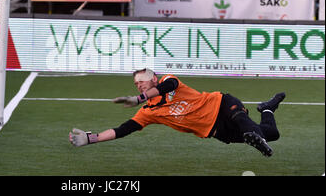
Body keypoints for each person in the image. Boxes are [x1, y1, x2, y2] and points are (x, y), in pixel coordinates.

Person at [69, 68, 285, 157]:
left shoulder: (167, 81)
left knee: (240, 117)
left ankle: (254, 138)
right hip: (215, 130)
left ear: (153, 79)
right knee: (272, 134)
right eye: (136, 84)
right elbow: (123, 130)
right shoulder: (148, 113)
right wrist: (92, 139)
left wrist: (138, 98)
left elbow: (168, 85)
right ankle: (267, 109)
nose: (139, 86)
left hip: (220, 105)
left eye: (142, 81)